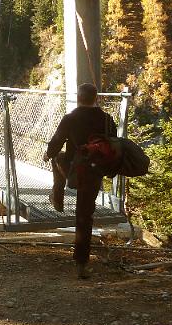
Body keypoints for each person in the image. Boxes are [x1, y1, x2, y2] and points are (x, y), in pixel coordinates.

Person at [42, 83, 117, 279]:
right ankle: (81, 262)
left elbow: (57, 141)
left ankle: (57, 196)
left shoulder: (71, 118)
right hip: (95, 172)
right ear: (95, 98)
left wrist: (48, 154)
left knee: (57, 158)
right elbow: (113, 143)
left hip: (74, 171)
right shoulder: (107, 119)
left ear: (78, 97)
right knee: (84, 215)